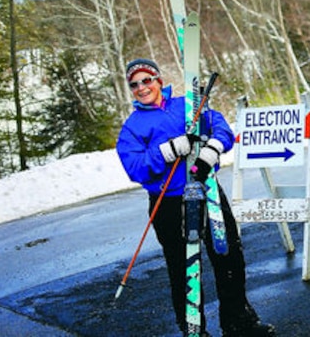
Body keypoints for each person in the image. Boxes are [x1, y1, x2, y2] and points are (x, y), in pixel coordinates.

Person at [116, 58, 275, 337]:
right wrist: (168, 150)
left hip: (207, 190)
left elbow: (221, 127)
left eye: (146, 80)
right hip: (168, 203)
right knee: (184, 269)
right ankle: (194, 330)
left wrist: (211, 151)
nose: (141, 88)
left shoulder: (186, 106)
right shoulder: (132, 127)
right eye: (135, 84)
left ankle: (239, 323)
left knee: (229, 256)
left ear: (158, 81)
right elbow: (135, 168)